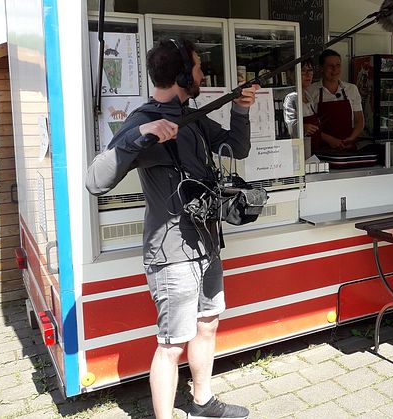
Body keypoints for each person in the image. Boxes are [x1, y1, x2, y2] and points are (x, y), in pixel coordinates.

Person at [85, 39, 259, 419]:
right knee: (171, 343)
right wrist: (140, 135)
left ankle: (202, 401)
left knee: (208, 323)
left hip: (207, 243)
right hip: (171, 253)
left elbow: (236, 148)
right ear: (181, 74)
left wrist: (241, 111)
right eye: (197, 69)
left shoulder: (191, 116)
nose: (201, 75)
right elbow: (95, 181)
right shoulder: (142, 119)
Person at [305, 49, 364, 151]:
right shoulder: (310, 91)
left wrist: (351, 138)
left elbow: (359, 120)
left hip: (348, 148)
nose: (335, 69)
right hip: (322, 150)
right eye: (330, 66)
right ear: (321, 68)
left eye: (338, 65)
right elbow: (310, 126)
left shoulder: (352, 89)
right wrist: (330, 140)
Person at [283, 58, 319, 140]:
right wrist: (303, 127)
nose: (308, 74)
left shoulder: (308, 95)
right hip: (301, 145)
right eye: (303, 70)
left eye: (310, 70)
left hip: (314, 144)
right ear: (290, 74)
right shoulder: (291, 97)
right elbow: (290, 126)